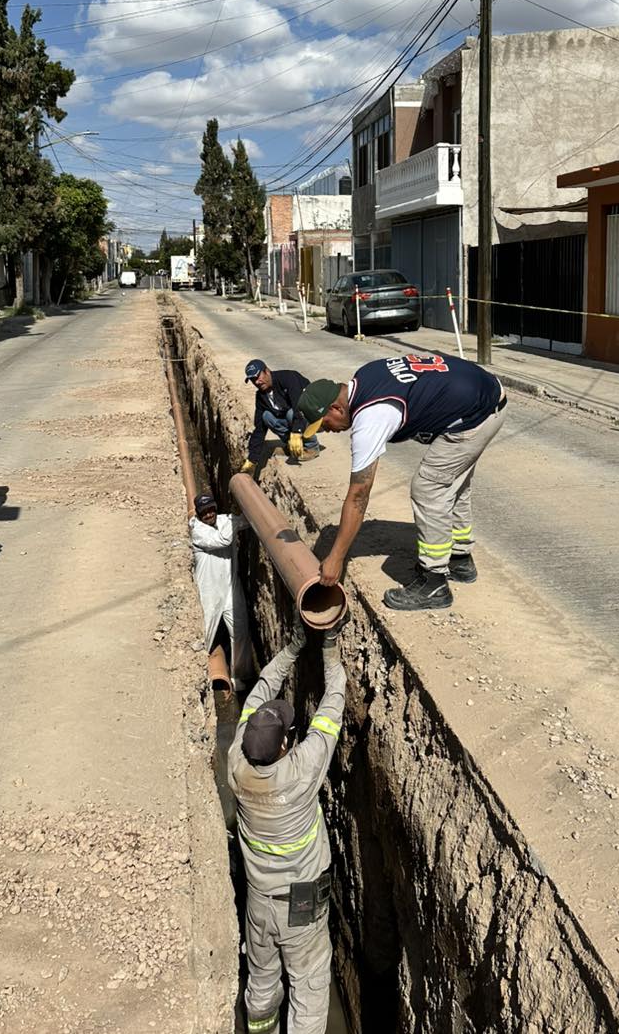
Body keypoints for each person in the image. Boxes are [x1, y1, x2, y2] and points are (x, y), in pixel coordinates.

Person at [296, 354, 507, 612]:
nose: (327, 431)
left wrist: (336, 557)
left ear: (336, 409)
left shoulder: (370, 417)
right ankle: (460, 559)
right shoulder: (364, 376)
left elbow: (359, 494)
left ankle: (434, 583)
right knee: (452, 481)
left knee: (428, 487)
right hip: (485, 393)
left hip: (478, 411)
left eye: (324, 424)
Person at [228, 606, 347, 1034]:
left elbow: (259, 691)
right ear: (283, 747)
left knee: (261, 981)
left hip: (259, 903)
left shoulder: (236, 762)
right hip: (301, 905)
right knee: (309, 988)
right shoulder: (301, 772)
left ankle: (259, 1027)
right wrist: (327, 647)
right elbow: (333, 704)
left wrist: (293, 646)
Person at [189, 491, 254, 689]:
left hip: (231, 586)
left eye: (211, 510)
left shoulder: (225, 521)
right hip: (209, 592)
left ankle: (239, 674)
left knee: (240, 630)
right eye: (204, 512)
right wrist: (233, 520)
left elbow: (248, 521)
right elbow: (223, 540)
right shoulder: (198, 530)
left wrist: (248, 504)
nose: (209, 514)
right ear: (198, 514)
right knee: (206, 633)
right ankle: (199, 676)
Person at [239, 359, 321, 475]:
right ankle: (292, 446)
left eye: (258, 377)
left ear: (267, 371)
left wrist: (296, 432)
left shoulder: (288, 378)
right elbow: (259, 430)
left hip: (316, 416)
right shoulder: (261, 397)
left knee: (291, 413)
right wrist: (252, 460)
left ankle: (311, 447)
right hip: (296, 418)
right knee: (266, 416)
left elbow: (299, 408)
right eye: (253, 380)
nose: (257, 382)